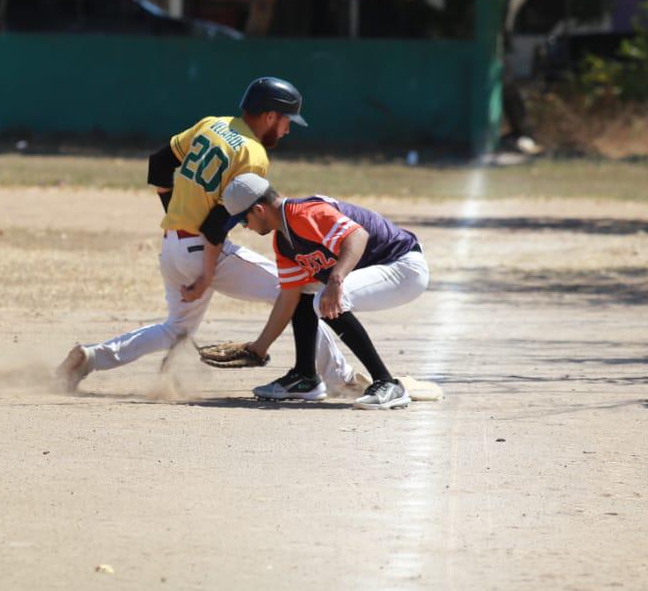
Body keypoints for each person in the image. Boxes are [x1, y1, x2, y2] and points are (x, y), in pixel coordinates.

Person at [57, 77, 357, 393]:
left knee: (176, 329)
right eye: (286, 121)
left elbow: (159, 165)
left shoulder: (212, 124)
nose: (287, 130)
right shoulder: (253, 155)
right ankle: (343, 380)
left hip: (173, 246)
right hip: (203, 251)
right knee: (294, 293)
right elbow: (216, 224)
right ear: (270, 116)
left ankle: (89, 358)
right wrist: (205, 275)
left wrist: (177, 213)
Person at [220, 172, 428, 410]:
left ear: (259, 210)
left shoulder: (306, 213)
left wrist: (335, 281)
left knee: (324, 299)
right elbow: (289, 298)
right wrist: (259, 348)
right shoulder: (283, 242)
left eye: (243, 221)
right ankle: (305, 377)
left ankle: (387, 383)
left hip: (403, 266)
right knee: (304, 293)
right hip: (383, 268)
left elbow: (358, 237)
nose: (245, 228)